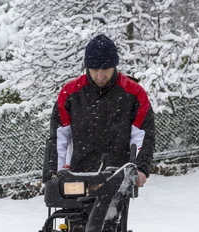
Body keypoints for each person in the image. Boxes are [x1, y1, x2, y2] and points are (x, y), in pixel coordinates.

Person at [46, 34, 156, 187]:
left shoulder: (134, 95)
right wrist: (55, 172)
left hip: (117, 176)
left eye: (105, 69)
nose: (100, 76)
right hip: (78, 176)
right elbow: (59, 137)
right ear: (87, 67)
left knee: (110, 211)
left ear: (114, 66)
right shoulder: (70, 94)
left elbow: (143, 136)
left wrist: (140, 167)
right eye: (95, 69)